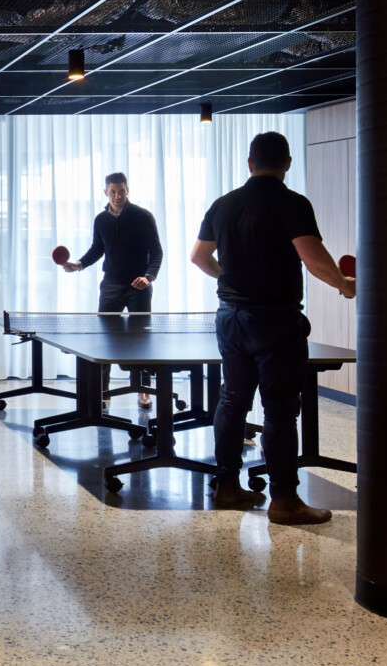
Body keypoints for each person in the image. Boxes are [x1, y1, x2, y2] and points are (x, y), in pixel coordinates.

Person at [189, 131, 355, 525]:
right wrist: (343, 285)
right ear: (288, 163)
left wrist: (225, 277)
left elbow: (198, 257)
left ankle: (227, 487)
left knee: (232, 400)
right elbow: (313, 258)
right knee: (279, 409)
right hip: (275, 322)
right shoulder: (292, 202)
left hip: (230, 318)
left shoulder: (224, 204)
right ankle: (283, 500)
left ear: (249, 163)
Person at [63, 172, 164, 409]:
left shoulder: (143, 216)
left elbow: (157, 252)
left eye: (122, 190)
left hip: (138, 285)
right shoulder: (101, 220)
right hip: (110, 285)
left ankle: (143, 391)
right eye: (113, 191)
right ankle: (103, 391)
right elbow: (98, 248)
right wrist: (79, 264)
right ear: (105, 192)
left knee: (140, 340)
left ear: (127, 190)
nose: (118, 195)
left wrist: (148, 278)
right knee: (105, 339)